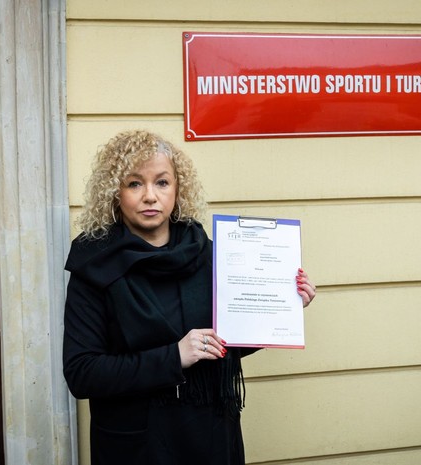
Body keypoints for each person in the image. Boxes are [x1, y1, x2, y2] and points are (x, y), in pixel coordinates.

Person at [62, 130, 316, 465]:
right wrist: (174, 356)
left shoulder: (208, 253)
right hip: (137, 444)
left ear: (178, 188)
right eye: (135, 183)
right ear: (114, 192)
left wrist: (281, 307)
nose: (150, 196)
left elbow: (228, 341)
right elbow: (82, 373)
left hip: (210, 435)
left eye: (162, 182)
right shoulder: (94, 264)